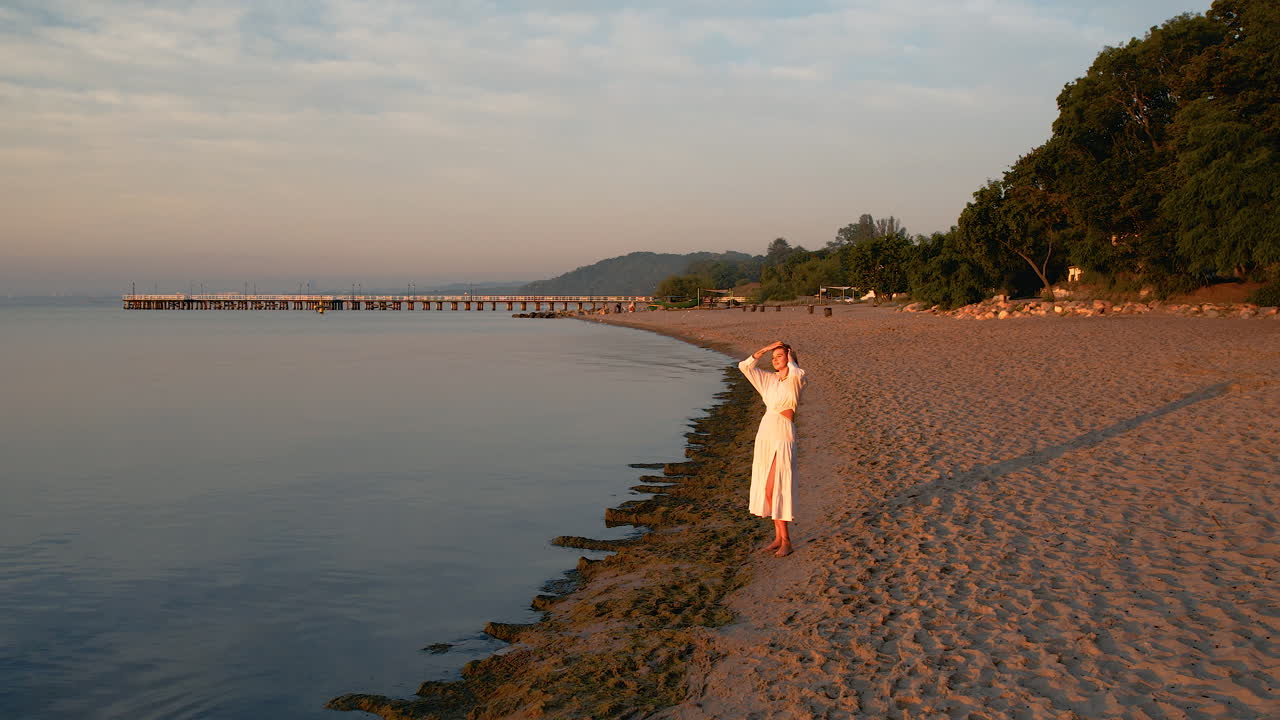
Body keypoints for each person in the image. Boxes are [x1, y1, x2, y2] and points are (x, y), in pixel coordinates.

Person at [739, 341, 806, 557]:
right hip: (766, 433)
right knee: (768, 490)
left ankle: (787, 540)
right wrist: (765, 349)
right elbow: (744, 366)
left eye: (780, 356)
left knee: (777, 487)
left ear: (789, 357)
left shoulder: (796, 378)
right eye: (773, 357)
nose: (775, 359)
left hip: (783, 434)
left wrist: (790, 355)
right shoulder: (769, 380)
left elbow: (797, 370)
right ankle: (778, 537)